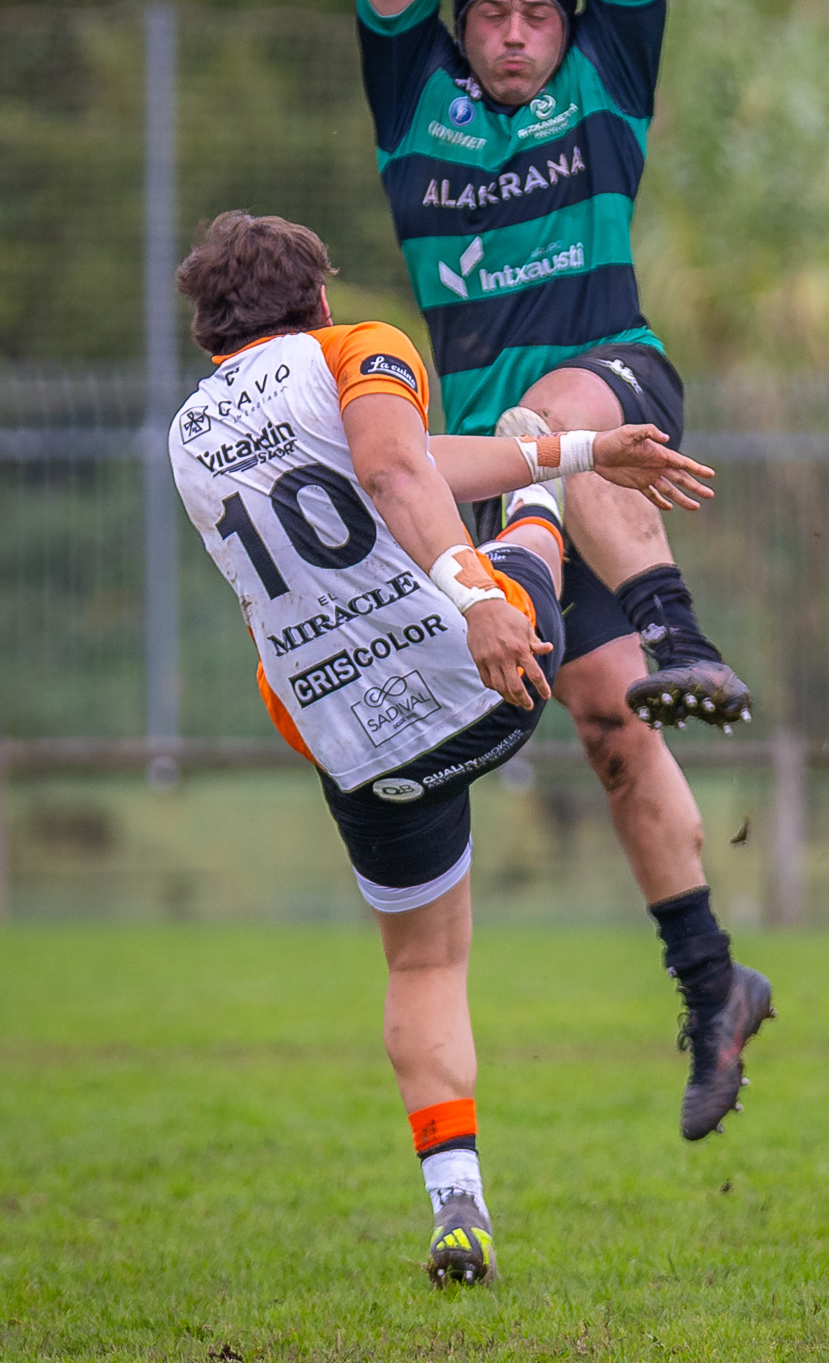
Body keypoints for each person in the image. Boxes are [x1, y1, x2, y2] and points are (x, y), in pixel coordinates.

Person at [356, 0, 772, 1149]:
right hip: (503, 467)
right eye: (495, 13)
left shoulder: (606, 80)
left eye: (539, 10)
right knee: (607, 729)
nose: (520, 28)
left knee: (559, 442)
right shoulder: (419, 110)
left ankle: (677, 626)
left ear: (567, 27)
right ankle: (712, 985)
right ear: (463, 32)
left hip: (612, 387)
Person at [168, 210, 718, 1287]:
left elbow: (406, 461)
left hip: (353, 746)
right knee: (526, 516)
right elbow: (392, 471)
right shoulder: (354, 346)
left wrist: (580, 444)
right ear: (317, 299)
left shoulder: (188, 431)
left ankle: (456, 1197)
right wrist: (476, 591)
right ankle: (559, 518)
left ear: (209, 334)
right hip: (486, 677)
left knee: (424, 963)